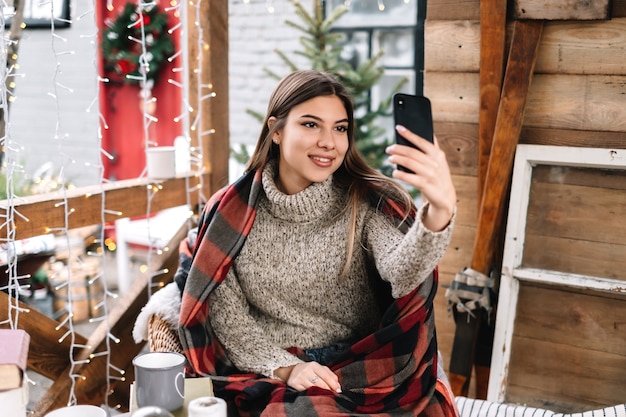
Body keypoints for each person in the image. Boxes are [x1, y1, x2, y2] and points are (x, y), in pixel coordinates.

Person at [134, 69, 458, 416]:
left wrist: (439, 212)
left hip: (360, 363)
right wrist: (288, 367)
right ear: (276, 130)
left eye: (340, 128)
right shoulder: (232, 213)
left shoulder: (365, 202)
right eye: (310, 124)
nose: (329, 142)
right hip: (270, 366)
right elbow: (230, 321)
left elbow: (403, 276)